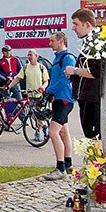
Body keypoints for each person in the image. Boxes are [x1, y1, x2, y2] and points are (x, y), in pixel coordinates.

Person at [65, 8, 102, 139]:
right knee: (90, 138)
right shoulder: (89, 42)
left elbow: (95, 72)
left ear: (87, 24)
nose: (73, 28)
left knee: (94, 139)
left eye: (76, 24)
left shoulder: (98, 43)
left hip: (92, 98)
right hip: (84, 97)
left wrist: (74, 70)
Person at [43, 32, 76, 180]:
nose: (49, 43)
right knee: (63, 133)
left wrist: (49, 90)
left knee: (53, 132)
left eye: (52, 41)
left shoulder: (67, 57)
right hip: (58, 99)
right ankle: (68, 164)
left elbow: (64, 80)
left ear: (61, 41)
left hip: (64, 99)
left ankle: (60, 167)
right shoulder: (58, 58)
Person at [8, 49, 50, 140]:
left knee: (39, 114)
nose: (29, 57)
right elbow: (17, 79)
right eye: (28, 55)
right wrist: (9, 86)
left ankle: (39, 131)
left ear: (36, 56)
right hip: (30, 95)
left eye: (31, 55)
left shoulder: (42, 67)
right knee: (32, 114)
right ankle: (44, 127)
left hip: (39, 95)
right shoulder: (25, 67)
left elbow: (46, 81)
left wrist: (42, 87)